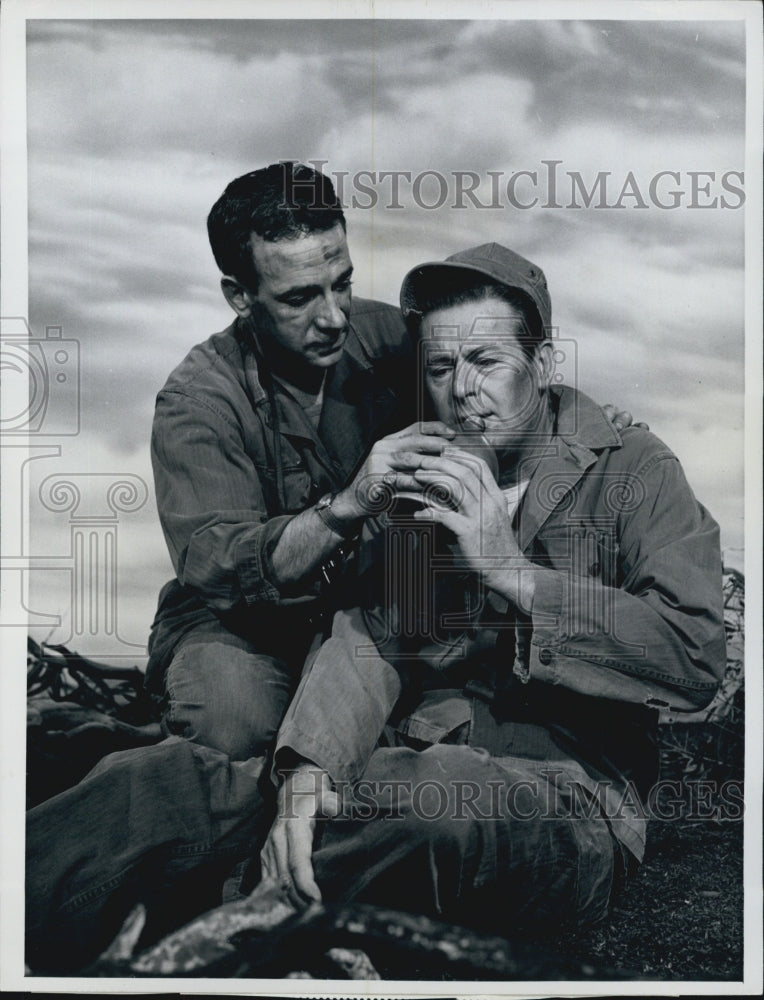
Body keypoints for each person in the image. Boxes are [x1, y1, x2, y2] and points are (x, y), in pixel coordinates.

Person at [24, 233, 647, 972]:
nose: (332, 315)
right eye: (298, 298)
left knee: (402, 791)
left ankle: (226, 906)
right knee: (216, 741)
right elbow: (237, 575)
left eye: (342, 283)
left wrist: (553, 473)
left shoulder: (402, 344)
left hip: (465, 742)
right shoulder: (201, 399)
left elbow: (685, 652)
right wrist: (353, 510)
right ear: (240, 296)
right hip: (244, 618)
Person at [259, 242, 727, 935]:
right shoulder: (432, 474)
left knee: (433, 806)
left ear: (540, 365)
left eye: (486, 362)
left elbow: (692, 656)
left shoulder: (635, 470)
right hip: (407, 762)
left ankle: (244, 911)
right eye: (443, 368)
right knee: (161, 790)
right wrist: (309, 768)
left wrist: (511, 570)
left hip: (566, 795)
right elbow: (383, 640)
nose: (463, 390)